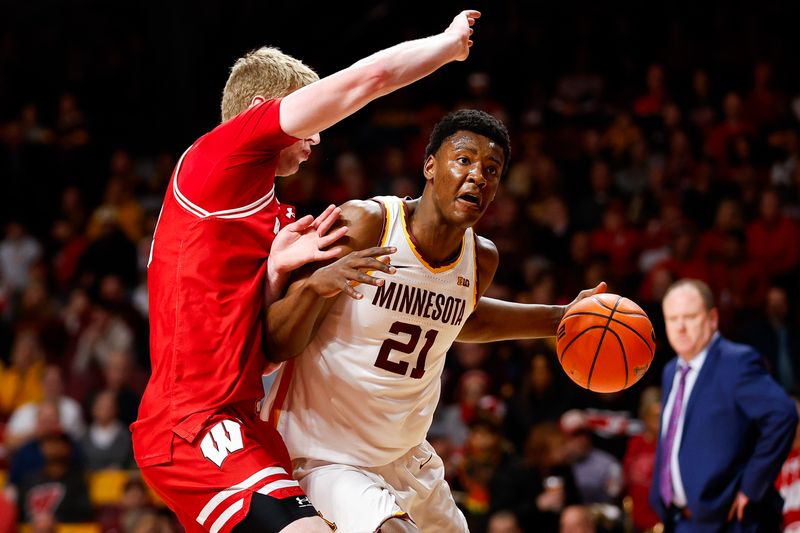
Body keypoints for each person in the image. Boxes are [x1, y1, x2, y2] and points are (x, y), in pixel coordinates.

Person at [130, 10, 483, 533]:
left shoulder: (274, 219)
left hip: (244, 418)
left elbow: (270, 351)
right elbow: (369, 80)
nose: (318, 139)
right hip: (191, 423)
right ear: (261, 112)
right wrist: (448, 45)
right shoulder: (218, 157)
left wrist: (275, 275)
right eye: (310, 125)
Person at [263, 109, 604, 531]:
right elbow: (275, 341)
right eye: (464, 160)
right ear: (429, 166)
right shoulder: (368, 224)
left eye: (491, 170)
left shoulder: (481, 257)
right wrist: (315, 288)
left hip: (407, 457)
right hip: (327, 454)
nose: (478, 175)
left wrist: (561, 317)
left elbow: (464, 318)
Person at [648, 278, 798, 532]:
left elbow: (783, 415)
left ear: (712, 318)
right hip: (681, 519)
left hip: (730, 521)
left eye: (690, 317)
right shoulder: (670, 370)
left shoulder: (736, 362)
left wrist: (752, 485)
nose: (680, 327)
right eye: (672, 319)